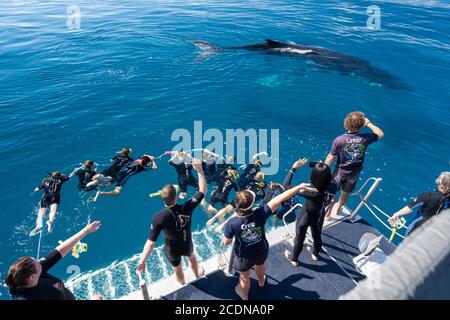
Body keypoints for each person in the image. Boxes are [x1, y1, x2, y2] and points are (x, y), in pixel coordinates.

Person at [222, 182, 313, 300]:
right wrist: (298, 187)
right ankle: (261, 281)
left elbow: (226, 242)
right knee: (260, 265)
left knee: (244, 276)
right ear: (252, 204)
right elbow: (280, 198)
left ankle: (244, 295)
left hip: (243, 256)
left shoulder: (232, 223)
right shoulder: (261, 213)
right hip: (261, 250)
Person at [137, 158, 207, 286]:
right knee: (192, 259)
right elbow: (202, 191)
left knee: (177, 269)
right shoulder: (187, 207)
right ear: (176, 197)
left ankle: (182, 284)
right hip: (187, 243)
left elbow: (150, 243)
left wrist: (142, 261)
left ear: (162, 199)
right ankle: (197, 275)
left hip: (171, 249)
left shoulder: (158, 217)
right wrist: (200, 171)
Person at [5, 220, 101, 300]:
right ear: (32, 277)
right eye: (38, 264)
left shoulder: (25, 276)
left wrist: (86, 230)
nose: (40, 263)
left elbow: (59, 252)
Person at [324, 111, 384, 220]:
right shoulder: (365, 138)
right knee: (345, 192)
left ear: (346, 123)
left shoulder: (339, 139)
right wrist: (369, 123)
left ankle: (327, 216)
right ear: (361, 124)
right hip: (354, 174)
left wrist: (322, 171)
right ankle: (337, 209)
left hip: (339, 172)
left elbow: (330, 157)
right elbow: (380, 134)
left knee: (330, 193)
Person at [284, 162, 333, 267]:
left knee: (299, 239)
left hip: (305, 218)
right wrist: (316, 165)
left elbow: (286, 185)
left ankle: (294, 260)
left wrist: (293, 168)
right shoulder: (333, 185)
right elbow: (325, 175)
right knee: (317, 236)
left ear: (313, 178)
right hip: (319, 216)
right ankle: (315, 254)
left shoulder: (310, 192)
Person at [388, 172, 450, 236]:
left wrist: (396, 214)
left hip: (417, 228)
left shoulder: (427, 196)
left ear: (440, 183)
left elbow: (410, 208)